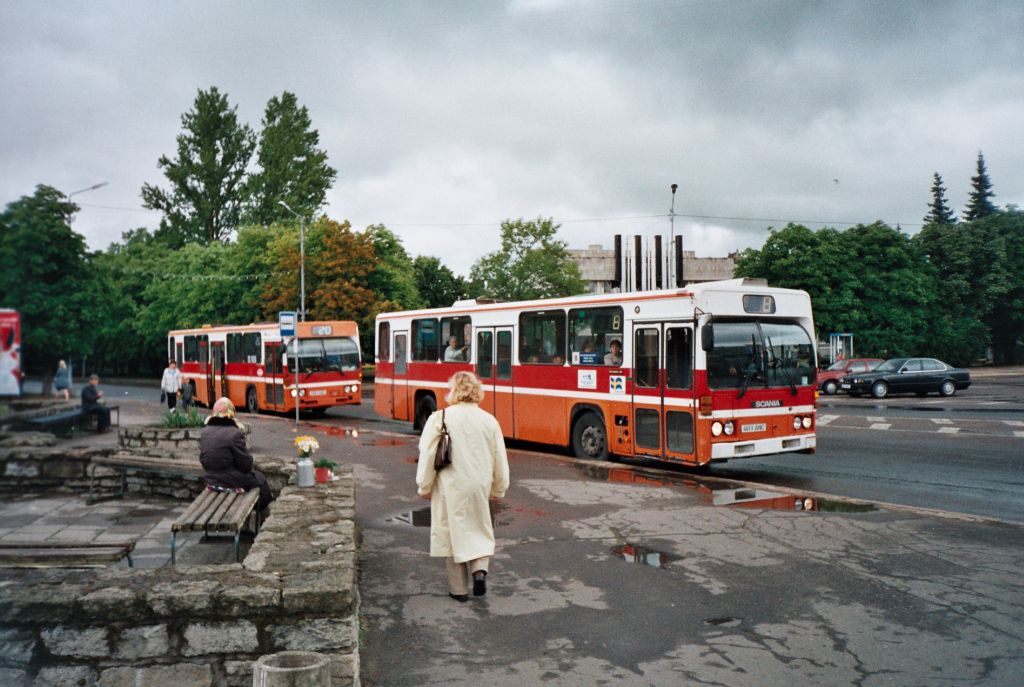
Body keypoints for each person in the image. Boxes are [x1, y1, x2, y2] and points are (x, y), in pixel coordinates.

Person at [416, 371, 510, 602]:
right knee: (479, 528)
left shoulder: (440, 418)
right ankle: (480, 572)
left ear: (453, 391)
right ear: (477, 391)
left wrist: (424, 485)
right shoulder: (490, 421)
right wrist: (498, 488)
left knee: (453, 533)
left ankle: (459, 590)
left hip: (451, 485)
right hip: (479, 485)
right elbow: (500, 459)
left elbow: (428, 455)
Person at [199, 397, 273, 513]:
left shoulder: (205, 432)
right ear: (230, 416)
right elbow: (246, 465)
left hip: (210, 479)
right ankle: (261, 517)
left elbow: (204, 460)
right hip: (229, 481)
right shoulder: (235, 434)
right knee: (260, 480)